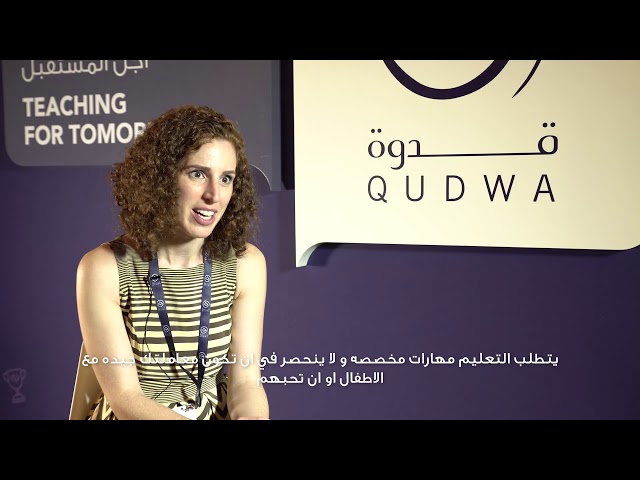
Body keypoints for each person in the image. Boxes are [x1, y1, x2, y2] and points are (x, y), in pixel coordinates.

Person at [71, 105, 269, 420]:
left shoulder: (247, 265)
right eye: (198, 173)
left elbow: (245, 381)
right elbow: (125, 399)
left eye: (226, 178)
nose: (214, 194)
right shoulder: (104, 268)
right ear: (161, 178)